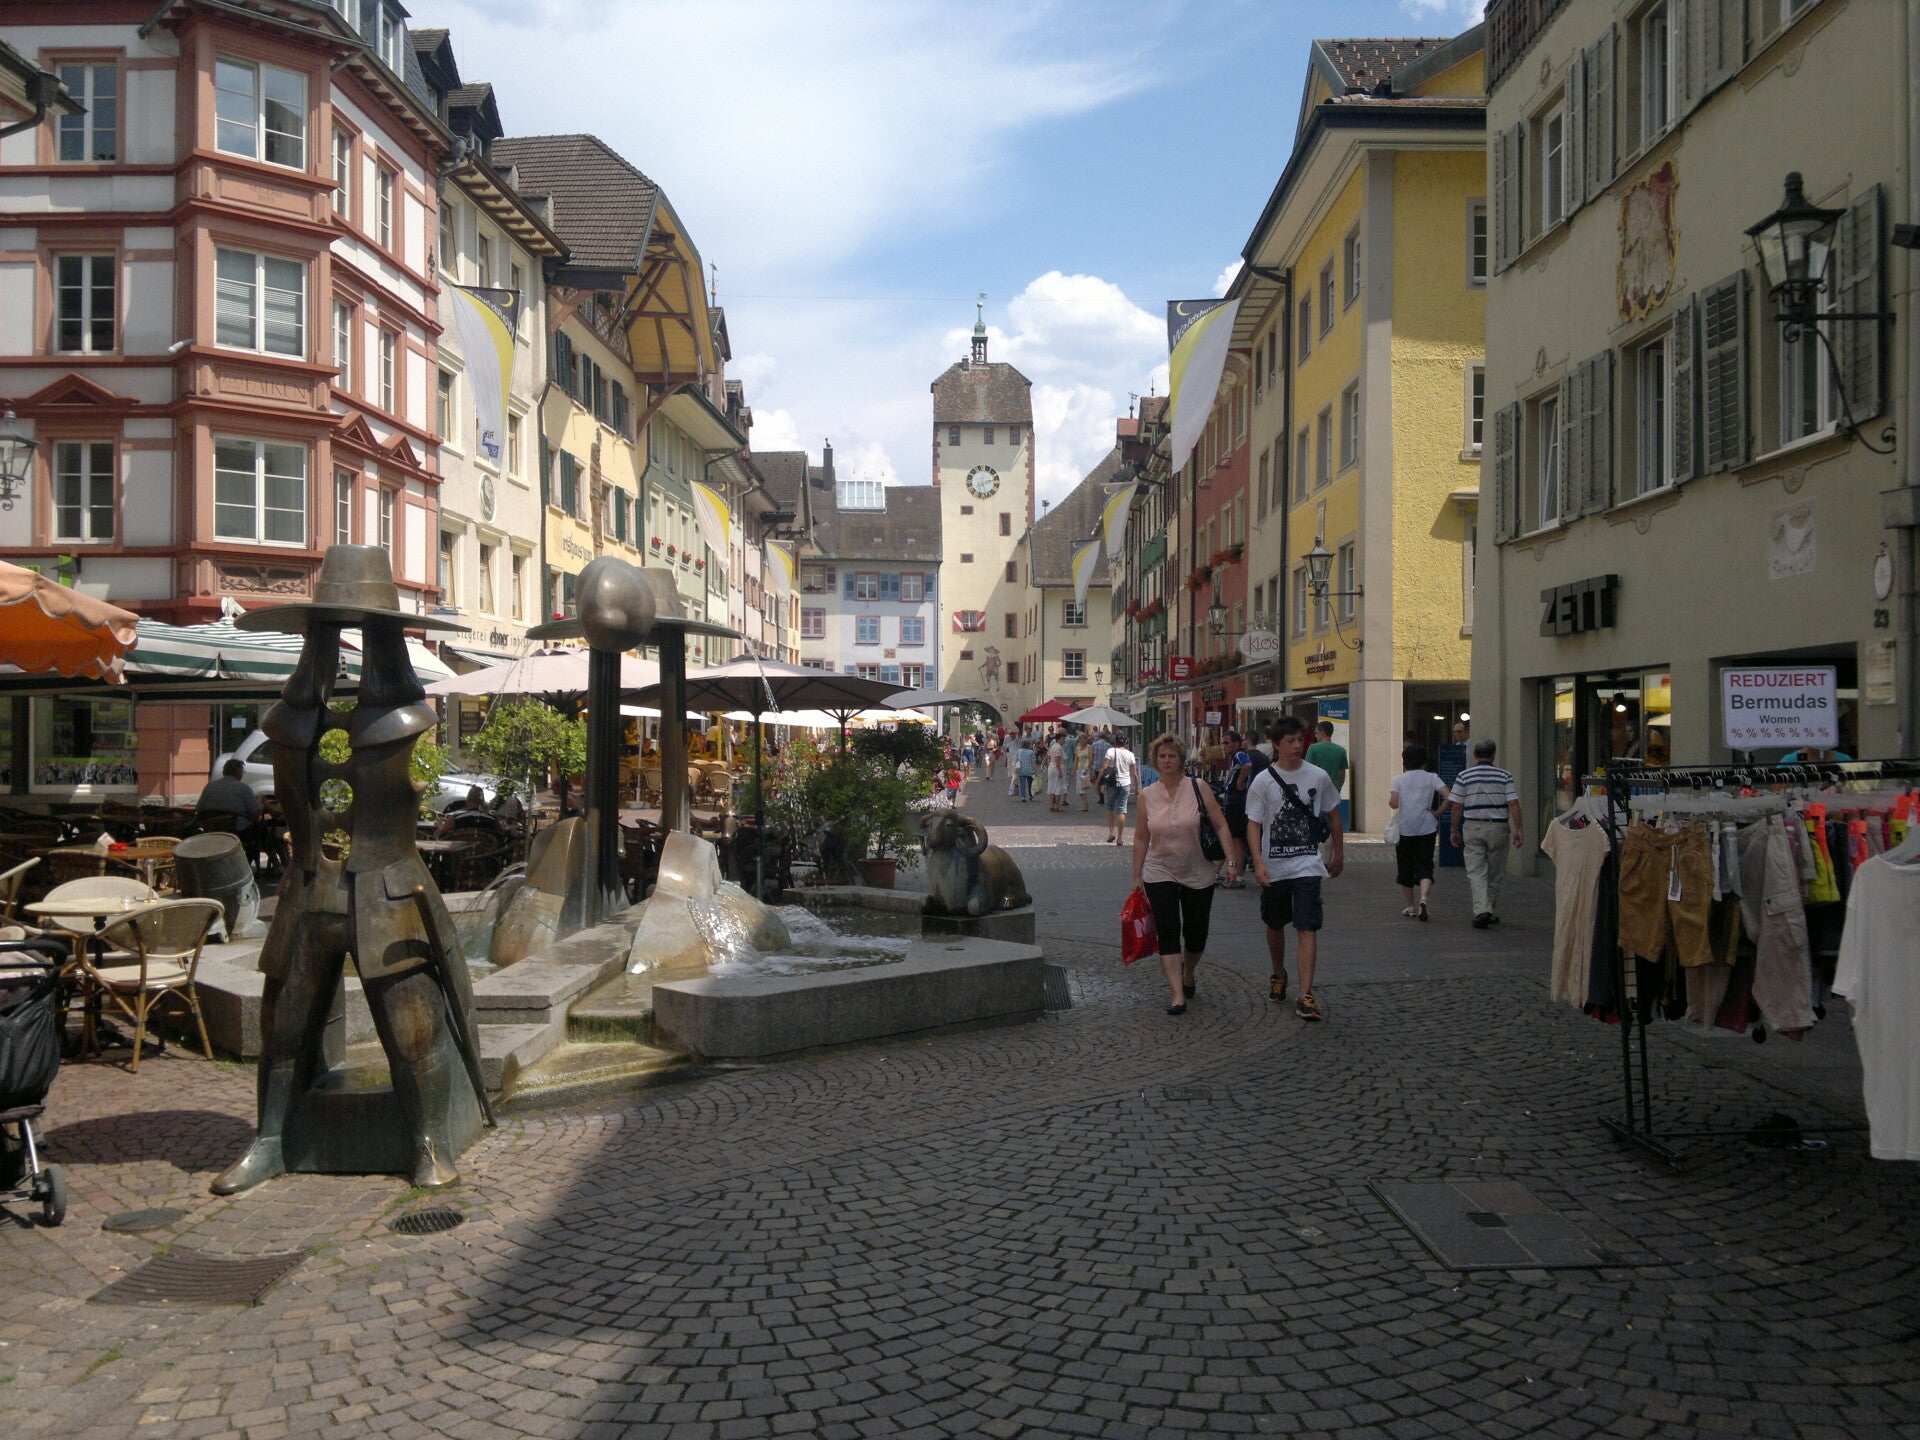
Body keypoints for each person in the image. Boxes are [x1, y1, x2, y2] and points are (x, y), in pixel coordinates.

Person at [1133, 733, 1243, 1014]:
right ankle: (1177, 995)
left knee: (1196, 933)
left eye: (1172, 755)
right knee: (1168, 931)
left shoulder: (1199, 787)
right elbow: (1142, 837)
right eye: (1162, 756)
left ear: (1181, 759)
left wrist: (1231, 861)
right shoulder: (1147, 795)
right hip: (1159, 871)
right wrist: (1136, 874)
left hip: (1198, 870)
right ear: (1155, 760)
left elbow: (1220, 825)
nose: (1167, 760)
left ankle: (1188, 971)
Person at [1245, 717, 1344, 1022]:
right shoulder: (1263, 781)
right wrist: (1258, 862)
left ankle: (1306, 994)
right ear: (1276, 744)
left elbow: (1333, 814)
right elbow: (1253, 824)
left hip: (1308, 864)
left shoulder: (1318, 776)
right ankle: (1278, 973)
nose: (1297, 746)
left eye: (1300, 740)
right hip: (1274, 866)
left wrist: (1339, 853)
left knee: (1307, 926)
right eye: (1290, 741)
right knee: (1275, 924)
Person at [1447, 738, 1523, 928]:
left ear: (1474, 754)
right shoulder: (1504, 776)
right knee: (1495, 872)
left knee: (1476, 871)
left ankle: (1482, 910)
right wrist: (1519, 828)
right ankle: (1489, 910)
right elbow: (1513, 802)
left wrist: (1454, 829)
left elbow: (1457, 805)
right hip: (1498, 828)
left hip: (1473, 826)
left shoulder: (1464, 776)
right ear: (1494, 755)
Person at [1388, 745, 1450, 921]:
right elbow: (1449, 796)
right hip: (1427, 828)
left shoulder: (1399, 779)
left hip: (1405, 829)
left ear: (1404, 762)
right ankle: (1424, 898)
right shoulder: (1432, 777)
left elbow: (1393, 803)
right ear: (1424, 762)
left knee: (1405, 866)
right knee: (1425, 865)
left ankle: (1411, 906)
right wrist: (1437, 812)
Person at [197, 756, 261, 825]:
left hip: (211, 829)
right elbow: (256, 814)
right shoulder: (243, 788)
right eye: (242, 772)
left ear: (224, 772)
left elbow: (199, 809)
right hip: (237, 829)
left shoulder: (209, 786)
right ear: (239, 772)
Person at [1101, 735, 1138, 843]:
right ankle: (1120, 838)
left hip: (1112, 783)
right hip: (1125, 784)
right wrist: (1137, 788)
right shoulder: (1130, 754)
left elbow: (1104, 768)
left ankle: (1111, 832)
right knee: (1122, 810)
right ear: (1126, 743)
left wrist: (1099, 782)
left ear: (1115, 742)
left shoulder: (1110, 751)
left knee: (1110, 807)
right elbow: (1134, 773)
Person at [1305, 719, 1349, 794]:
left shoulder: (1313, 748)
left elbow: (1307, 770)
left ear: (1322, 732)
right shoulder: (1341, 750)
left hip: (1318, 789)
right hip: (1334, 790)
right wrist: (1338, 788)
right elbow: (1342, 775)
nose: (1315, 735)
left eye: (1316, 733)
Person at [1046, 734, 1068, 812]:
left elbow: (1048, 757)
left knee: (1051, 786)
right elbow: (1057, 760)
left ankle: (1052, 805)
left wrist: (1049, 764)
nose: (1064, 740)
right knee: (1058, 786)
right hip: (1056, 768)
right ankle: (1057, 806)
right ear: (1058, 740)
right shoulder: (1059, 747)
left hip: (1051, 767)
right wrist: (1060, 771)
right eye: (1062, 739)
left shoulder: (1053, 746)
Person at [1075, 733, 1094, 811]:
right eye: (1080, 739)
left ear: (1086, 740)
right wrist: (1075, 770)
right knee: (1079, 789)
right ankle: (1085, 804)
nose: (1082, 741)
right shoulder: (1077, 748)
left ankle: (1085, 806)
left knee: (1084, 788)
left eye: (1084, 739)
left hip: (1085, 769)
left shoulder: (1089, 747)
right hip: (1079, 769)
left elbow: (1091, 759)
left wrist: (1088, 768)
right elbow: (1076, 760)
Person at [1016, 737, 1036, 801]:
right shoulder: (1031, 752)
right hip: (1030, 770)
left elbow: (1016, 760)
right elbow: (1033, 762)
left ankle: (1023, 797)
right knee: (1030, 784)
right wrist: (1035, 770)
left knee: (1022, 784)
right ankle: (1030, 795)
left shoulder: (1019, 751)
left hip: (1021, 770)